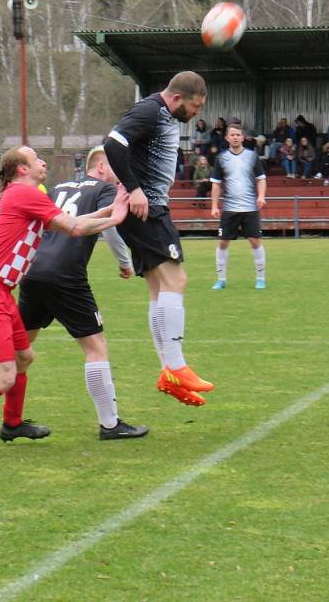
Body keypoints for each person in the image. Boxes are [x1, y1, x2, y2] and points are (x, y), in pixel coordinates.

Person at [0, 146, 129, 458]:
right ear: (22, 169)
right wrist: (117, 216)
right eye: (36, 158)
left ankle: (11, 424)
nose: (42, 162)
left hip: (0, 291)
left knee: (24, 357)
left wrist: (110, 211)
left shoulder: (22, 195)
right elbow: (75, 228)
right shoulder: (26, 194)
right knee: (5, 375)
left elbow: (72, 219)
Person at [103, 70, 215, 408]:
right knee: (176, 279)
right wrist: (135, 189)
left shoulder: (162, 115)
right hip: (147, 208)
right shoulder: (151, 110)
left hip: (149, 208)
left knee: (158, 287)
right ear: (178, 98)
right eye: (195, 106)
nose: (197, 113)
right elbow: (113, 143)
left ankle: (168, 371)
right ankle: (177, 365)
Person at [209, 123, 267, 290]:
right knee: (223, 242)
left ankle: (261, 278)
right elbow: (216, 184)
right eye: (232, 135)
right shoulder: (221, 158)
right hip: (229, 208)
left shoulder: (252, 156)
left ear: (243, 137)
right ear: (227, 138)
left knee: (255, 242)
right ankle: (221, 279)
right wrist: (214, 206)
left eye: (238, 135)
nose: (235, 137)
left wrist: (261, 196)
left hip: (250, 208)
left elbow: (261, 178)